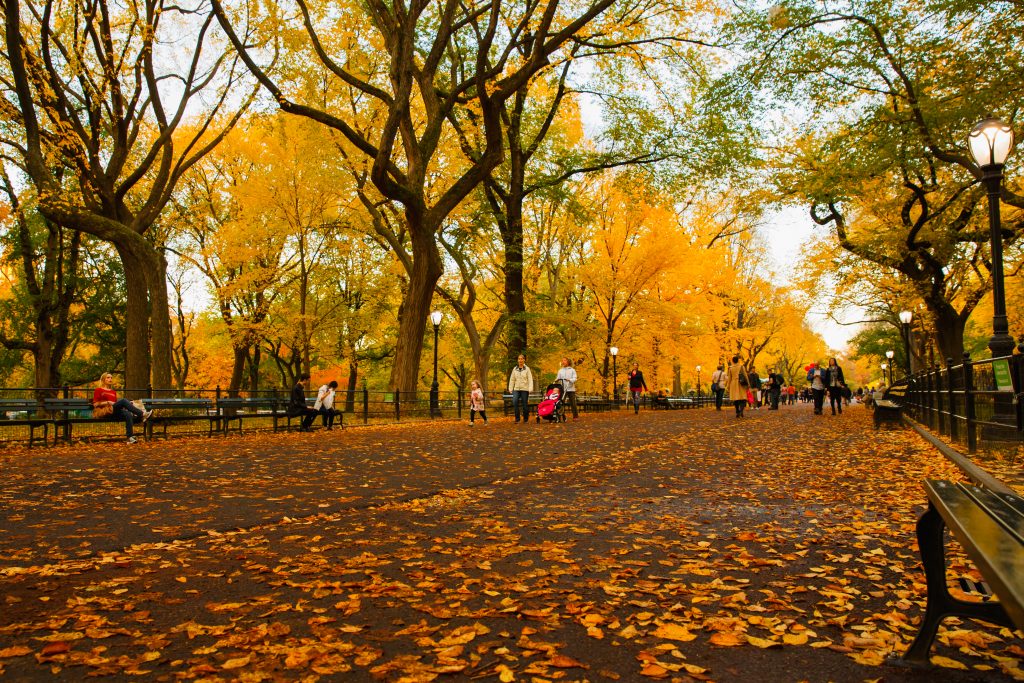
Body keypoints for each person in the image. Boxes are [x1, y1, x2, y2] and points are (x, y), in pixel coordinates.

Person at [92, 372, 152, 444]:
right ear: (103, 379)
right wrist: (108, 402)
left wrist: (128, 405)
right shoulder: (98, 390)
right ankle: (142, 414)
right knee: (123, 401)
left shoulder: (113, 392)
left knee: (128, 414)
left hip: (113, 412)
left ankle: (129, 438)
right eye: (108, 377)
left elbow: (115, 405)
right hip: (105, 412)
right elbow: (95, 404)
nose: (110, 379)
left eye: (111, 377)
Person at [507, 354, 534, 423]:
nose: (520, 360)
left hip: (525, 389)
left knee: (525, 404)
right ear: (517, 360)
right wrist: (510, 388)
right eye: (519, 359)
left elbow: (530, 379)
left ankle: (525, 419)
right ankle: (517, 419)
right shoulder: (515, 369)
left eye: (522, 359)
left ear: (524, 360)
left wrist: (530, 388)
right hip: (516, 389)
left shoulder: (527, 369)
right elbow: (512, 379)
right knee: (515, 402)